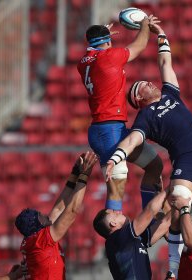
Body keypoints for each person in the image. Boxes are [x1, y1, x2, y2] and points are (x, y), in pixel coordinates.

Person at [105, 21, 192, 278]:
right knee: (178, 211)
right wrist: (116, 157)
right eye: (143, 85)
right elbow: (133, 140)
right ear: (139, 99)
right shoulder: (145, 117)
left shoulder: (171, 95)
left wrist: (162, 35)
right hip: (186, 162)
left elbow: (166, 64)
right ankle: (173, 273)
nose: (150, 83)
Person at [77, 17, 164, 213]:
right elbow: (139, 45)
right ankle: (113, 236)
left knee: (155, 165)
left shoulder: (83, 62)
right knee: (116, 190)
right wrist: (144, 25)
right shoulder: (109, 57)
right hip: (108, 130)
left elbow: (94, 51)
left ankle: (149, 215)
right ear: (107, 43)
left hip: (113, 128)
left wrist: (103, 36)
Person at [15, 151, 98, 280]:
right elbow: (72, 211)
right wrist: (84, 175)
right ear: (37, 226)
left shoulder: (35, 238)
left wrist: (75, 173)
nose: (46, 216)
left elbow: (59, 208)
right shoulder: (41, 241)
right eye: (40, 216)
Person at [93, 187, 171, 280]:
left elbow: (165, 223)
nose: (119, 211)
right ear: (113, 223)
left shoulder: (130, 240)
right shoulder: (116, 239)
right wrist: (171, 187)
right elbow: (149, 211)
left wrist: (183, 202)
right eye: (115, 213)